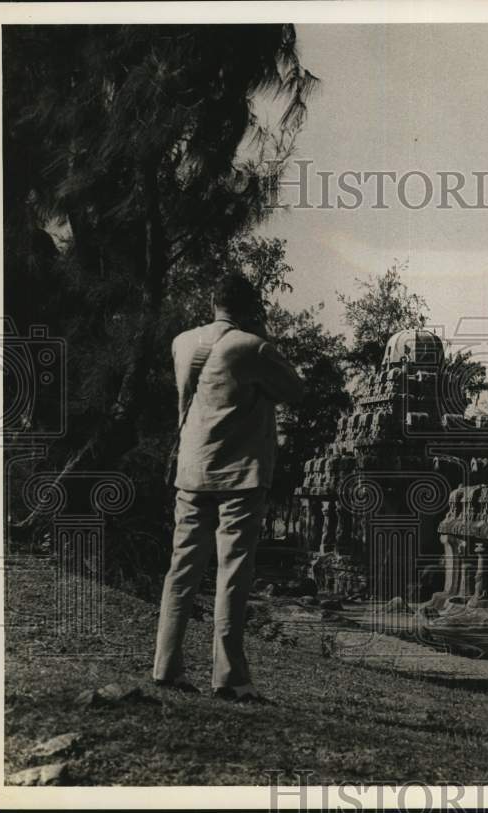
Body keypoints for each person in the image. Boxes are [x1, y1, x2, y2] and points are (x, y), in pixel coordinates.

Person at [152, 272, 304, 702]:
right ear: (251, 306)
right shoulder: (253, 346)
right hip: (238, 475)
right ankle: (230, 677)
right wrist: (263, 335)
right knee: (231, 573)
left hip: (192, 470)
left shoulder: (183, 342)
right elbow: (296, 389)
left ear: (212, 301)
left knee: (181, 569)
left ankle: (166, 665)